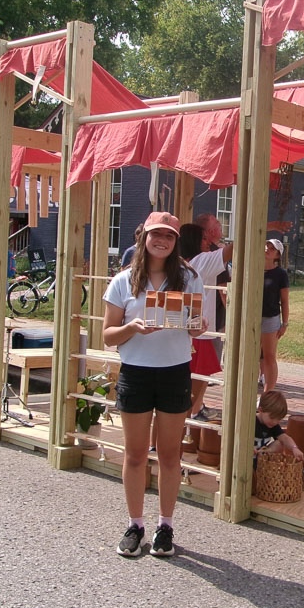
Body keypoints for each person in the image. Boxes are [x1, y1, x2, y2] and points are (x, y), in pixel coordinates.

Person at [103, 211, 207, 557]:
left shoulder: (189, 278)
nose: (161, 241)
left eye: (169, 236)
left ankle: (166, 525)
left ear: (176, 242)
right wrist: (132, 327)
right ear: (143, 237)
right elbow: (107, 336)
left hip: (175, 370)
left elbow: (195, 325)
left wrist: (197, 326)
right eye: (156, 235)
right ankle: (135, 524)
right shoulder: (123, 281)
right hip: (136, 371)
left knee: (169, 454)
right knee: (134, 454)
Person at [181, 214, 233, 422]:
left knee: (191, 391)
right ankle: (182, 430)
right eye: (204, 239)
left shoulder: (183, 264)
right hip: (199, 336)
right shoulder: (201, 261)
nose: (208, 243)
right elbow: (231, 250)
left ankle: (188, 423)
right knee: (191, 393)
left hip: (192, 333)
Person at [260, 239, 290, 392]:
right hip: (252, 318)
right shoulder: (255, 268)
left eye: (272, 248)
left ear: (277, 255)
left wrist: (285, 323)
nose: (267, 249)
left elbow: (284, 301)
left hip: (270, 318)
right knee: (251, 356)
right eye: (267, 246)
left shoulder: (280, 274)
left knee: (269, 356)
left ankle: (268, 393)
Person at [253, 390, 303, 466]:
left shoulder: (273, 425)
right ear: (260, 410)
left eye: (278, 419)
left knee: (280, 443)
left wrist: (294, 448)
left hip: (259, 457)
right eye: (272, 418)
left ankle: (265, 459)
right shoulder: (252, 421)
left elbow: (285, 438)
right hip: (246, 458)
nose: (275, 422)